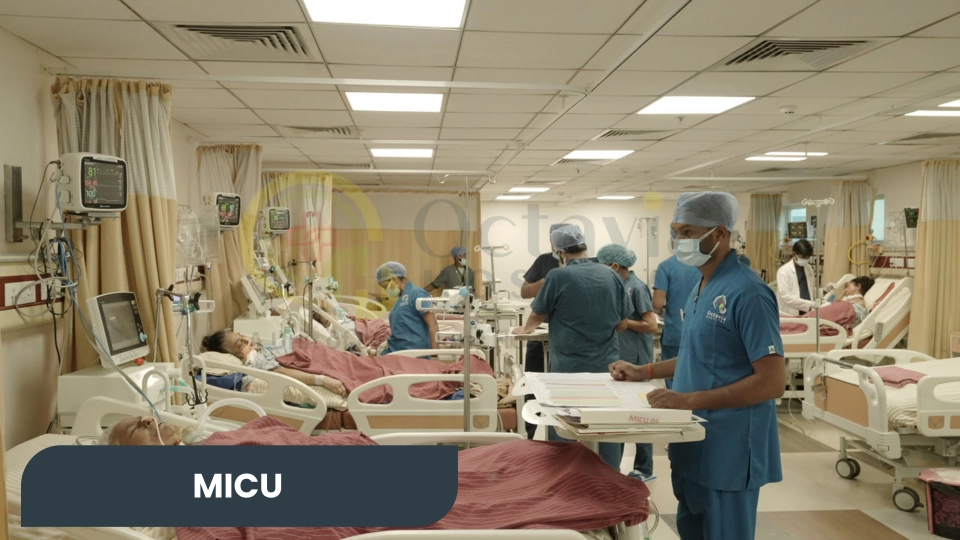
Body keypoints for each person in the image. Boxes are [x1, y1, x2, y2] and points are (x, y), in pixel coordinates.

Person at [610, 191, 784, 540]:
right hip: (693, 442)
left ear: (720, 233)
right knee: (692, 527)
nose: (679, 241)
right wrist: (644, 371)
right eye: (676, 231)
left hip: (729, 447)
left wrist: (685, 400)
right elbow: (699, 354)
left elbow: (771, 382)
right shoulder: (702, 285)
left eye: (688, 232)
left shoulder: (748, 293)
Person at [514, 224, 629, 470]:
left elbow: (537, 314)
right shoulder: (611, 275)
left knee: (565, 425)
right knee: (605, 425)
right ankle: (610, 477)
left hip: (568, 369)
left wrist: (526, 330)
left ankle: (565, 478)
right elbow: (622, 324)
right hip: (605, 367)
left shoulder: (558, 276)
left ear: (560, 252)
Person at [597, 243, 658, 481]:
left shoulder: (636, 287)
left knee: (640, 415)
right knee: (620, 415)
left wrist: (623, 322)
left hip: (637, 358)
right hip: (622, 356)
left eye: (604, 265)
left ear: (615, 265)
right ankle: (615, 467)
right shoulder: (617, 285)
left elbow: (651, 325)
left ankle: (645, 469)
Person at [518, 223, 564, 439]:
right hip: (541, 332)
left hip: (566, 335)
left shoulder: (582, 267)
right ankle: (528, 436)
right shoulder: (544, 261)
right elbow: (525, 291)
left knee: (561, 392)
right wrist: (545, 282)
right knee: (533, 385)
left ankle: (560, 441)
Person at [202, 329, 348, 396]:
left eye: (242, 335)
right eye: (240, 343)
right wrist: (323, 380)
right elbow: (283, 372)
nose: (247, 339)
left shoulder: (261, 349)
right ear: (235, 356)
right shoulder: (256, 360)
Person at [653, 255, 701, 390]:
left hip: (675, 332)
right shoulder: (706, 263)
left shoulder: (667, 266)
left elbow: (657, 304)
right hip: (703, 333)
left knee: (675, 384)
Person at [377, 261, 439, 354]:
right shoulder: (400, 299)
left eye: (386, 287)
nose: (386, 291)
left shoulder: (417, 294)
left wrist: (435, 354)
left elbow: (433, 325)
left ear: (394, 279)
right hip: (396, 350)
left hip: (412, 352)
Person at [776, 239, 817, 316]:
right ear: (794, 254)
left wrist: (823, 293)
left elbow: (810, 289)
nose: (806, 259)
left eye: (808, 257)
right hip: (790, 312)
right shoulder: (783, 271)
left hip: (807, 312)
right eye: (803, 256)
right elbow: (786, 296)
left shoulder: (809, 269)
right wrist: (810, 304)